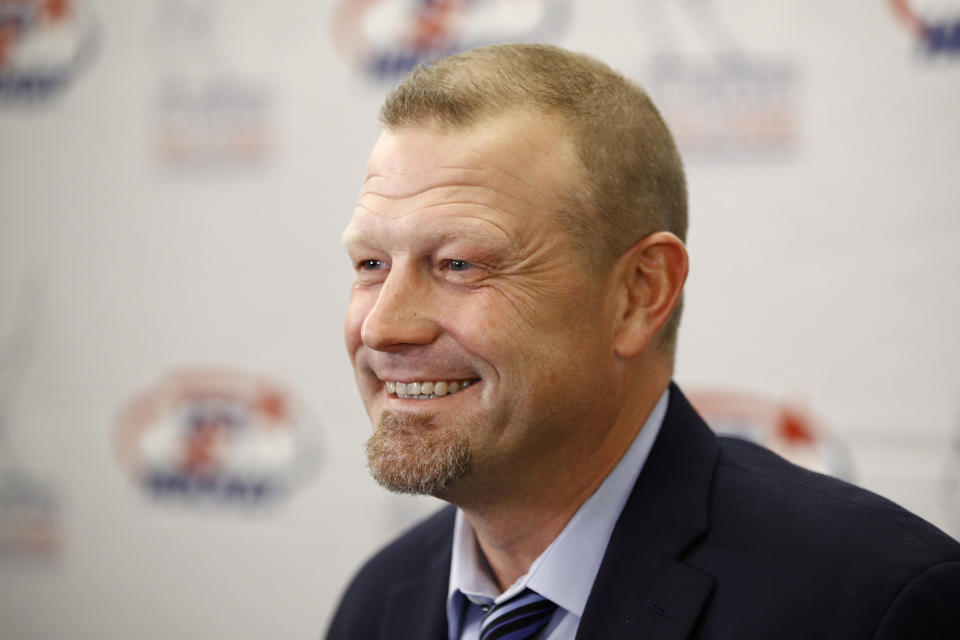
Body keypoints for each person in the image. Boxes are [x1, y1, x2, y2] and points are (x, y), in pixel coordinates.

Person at [327, 43, 960, 640]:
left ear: (639, 294)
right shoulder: (379, 601)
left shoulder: (875, 607)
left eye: (459, 264)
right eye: (371, 265)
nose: (383, 327)